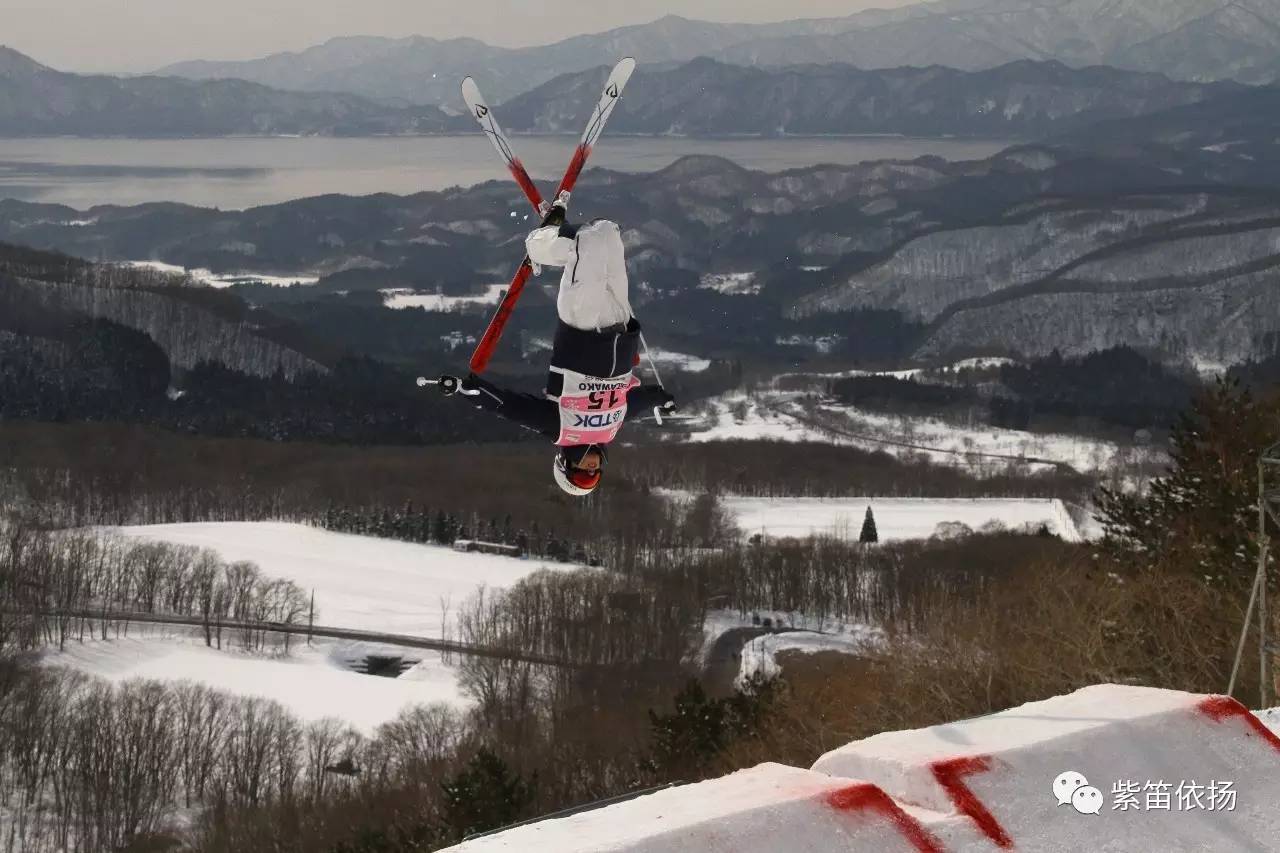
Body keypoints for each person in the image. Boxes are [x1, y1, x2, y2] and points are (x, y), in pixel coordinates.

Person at [434, 199, 676, 496]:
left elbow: (507, 407)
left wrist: (462, 388)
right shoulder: (609, 431)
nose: (591, 467)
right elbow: (637, 403)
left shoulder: (560, 428)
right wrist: (662, 399)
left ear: (565, 464)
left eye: (582, 472)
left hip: (582, 328)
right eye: (594, 473)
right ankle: (562, 240)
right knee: (608, 234)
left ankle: (540, 243)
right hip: (621, 329)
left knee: (587, 242)